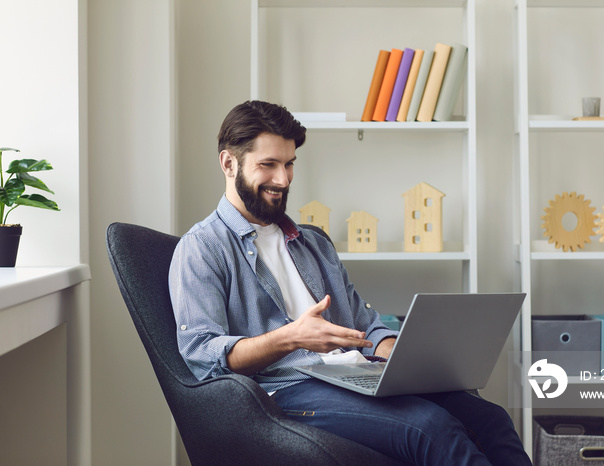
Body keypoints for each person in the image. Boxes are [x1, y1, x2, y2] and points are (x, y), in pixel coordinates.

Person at [169, 100, 532, 466]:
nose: (283, 179)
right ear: (229, 163)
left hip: (356, 373)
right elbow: (203, 357)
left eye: (290, 164)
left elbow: (365, 324)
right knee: (429, 427)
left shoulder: (313, 243)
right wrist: (293, 337)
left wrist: (399, 352)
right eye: (268, 165)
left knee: (491, 419)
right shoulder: (201, 249)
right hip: (285, 391)